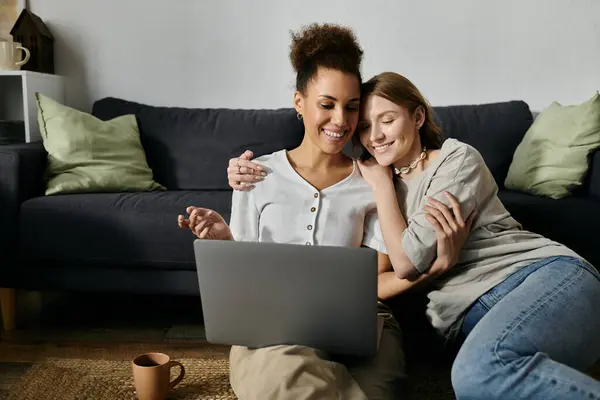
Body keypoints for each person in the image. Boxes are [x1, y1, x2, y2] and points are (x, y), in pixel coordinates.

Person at [232, 71, 600, 399]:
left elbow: (406, 260)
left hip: (540, 278)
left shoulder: (455, 161)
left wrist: (381, 186)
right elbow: (368, 280)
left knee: (478, 374)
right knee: (485, 378)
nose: (374, 136)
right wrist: (433, 260)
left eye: (387, 120)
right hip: (474, 318)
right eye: (365, 127)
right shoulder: (374, 185)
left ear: (418, 116)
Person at [179, 24, 473, 400]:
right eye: (326, 104)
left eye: (352, 107)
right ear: (299, 103)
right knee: (284, 378)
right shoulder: (255, 176)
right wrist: (225, 241)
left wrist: (434, 267)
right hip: (273, 325)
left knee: (378, 390)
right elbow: (246, 279)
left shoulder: (373, 181)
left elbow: (379, 280)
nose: (340, 121)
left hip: (360, 319)